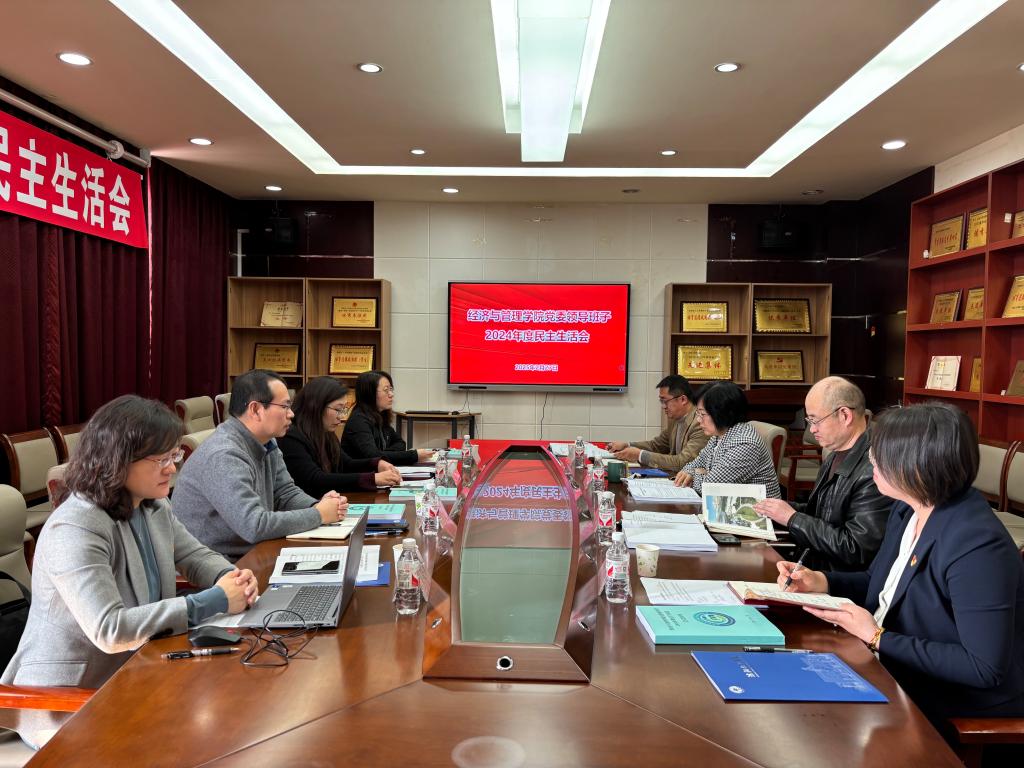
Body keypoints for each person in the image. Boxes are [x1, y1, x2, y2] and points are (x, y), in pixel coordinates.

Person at [0, 395, 259, 749]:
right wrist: (213, 600)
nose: (172, 468)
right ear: (117, 461)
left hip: (136, 671)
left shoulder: (152, 503)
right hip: (67, 698)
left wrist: (231, 578)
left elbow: (192, 554)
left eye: (174, 456)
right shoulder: (75, 527)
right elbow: (110, 629)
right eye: (162, 459)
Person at [778, 403, 1024, 724]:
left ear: (919, 464)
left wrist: (877, 637)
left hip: (949, 694)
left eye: (881, 454)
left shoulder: (977, 544)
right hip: (889, 662)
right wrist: (821, 581)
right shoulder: (908, 507)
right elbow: (879, 583)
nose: (871, 460)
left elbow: (982, 667)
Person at [173, 370, 347, 560]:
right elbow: (254, 525)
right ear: (255, 409)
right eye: (285, 406)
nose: (291, 414)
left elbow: (285, 493)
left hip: (252, 551)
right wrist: (318, 514)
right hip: (220, 564)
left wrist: (320, 505)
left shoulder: (266, 442)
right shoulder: (223, 455)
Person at [753, 376, 889, 571]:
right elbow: (821, 513)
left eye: (816, 420)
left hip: (833, 579)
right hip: (811, 567)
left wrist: (792, 518)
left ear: (844, 415)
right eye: (809, 421)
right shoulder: (835, 455)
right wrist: (774, 509)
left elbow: (855, 548)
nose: (812, 429)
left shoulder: (874, 470)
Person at [279, 376, 402, 496]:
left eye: (343, 410)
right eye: (338, 410)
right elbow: (315, 479)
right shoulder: (291, 436)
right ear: (317, 406)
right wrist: (372, 478)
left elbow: (345, 463)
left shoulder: (325, 432)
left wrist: (377, 464)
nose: (341, 417)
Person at [672, 381, 781, 498]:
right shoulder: (719, 434)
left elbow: (711, 487)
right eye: (698, 413)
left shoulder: (745, 444)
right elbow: (695, 463)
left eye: (702, 414)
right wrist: (691, 472)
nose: (698, 420)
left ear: (721, 413)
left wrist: (692, 476)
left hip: (756, 508)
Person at [607, 375, 708, 472]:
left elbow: (682, 462)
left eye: (665, 401)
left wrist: (640, 455)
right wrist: (627, 445)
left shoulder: (700, 424)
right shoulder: (675, 419)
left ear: (683, 399)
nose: (663, 406)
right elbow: (656, 445)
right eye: (661, 401)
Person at [340, 370, 433, 465]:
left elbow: (401, 444)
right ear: (370, 393)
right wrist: (414, 455)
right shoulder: (358, 421)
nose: (391, 394)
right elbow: (373, 456)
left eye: (391, 389)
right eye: (386, 390)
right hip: (360, 473)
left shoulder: (380, 416)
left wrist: (382, 453)